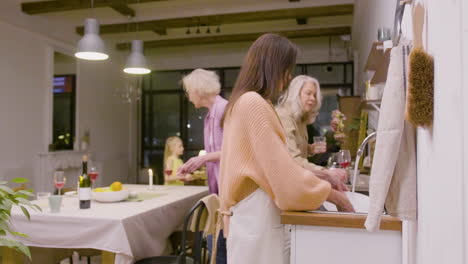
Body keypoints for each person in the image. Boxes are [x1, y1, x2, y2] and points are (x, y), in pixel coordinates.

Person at [219, 33, 354, 264]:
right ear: (273, 67)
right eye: (286, 68)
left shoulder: (243, 101)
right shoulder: (254, 104)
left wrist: (322, 180)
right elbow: (284, 176)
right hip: (257, 217)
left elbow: (278, 164)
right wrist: (336, 197)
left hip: (249, 216)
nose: (288, 75)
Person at [176, 68, 228, 264]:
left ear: (198, 90)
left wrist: (203, 159)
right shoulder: (209, 116)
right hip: (218, 193)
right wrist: (196, 164)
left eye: (189, 91)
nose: (188, 97)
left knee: (219, 244)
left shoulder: (224, 109)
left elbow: (235, 150)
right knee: (215, 242)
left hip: (229, 192)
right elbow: (216, 155)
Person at [276, 75, 349, 191]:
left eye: (315, 95)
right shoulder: (284, 117)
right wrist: (325, 172)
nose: (313, 98)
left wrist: (310, 149)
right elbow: (293, 159)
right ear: (296, 94)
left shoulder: (300, 118)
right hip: (284, 186)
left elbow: (294, 147)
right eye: (308, 93)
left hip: (296, 181)